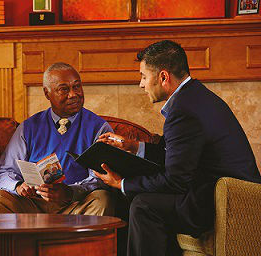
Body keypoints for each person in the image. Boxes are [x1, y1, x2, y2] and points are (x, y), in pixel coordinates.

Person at [95, 40, 261, 256]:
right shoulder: (195, 97)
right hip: (215, 191)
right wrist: (134, 147)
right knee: (138, 197)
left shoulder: (183, 111)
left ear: (163, 77)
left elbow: (175, 179)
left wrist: (122, 183)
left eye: (144, 76)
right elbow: (176, 155)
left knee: (143, 205)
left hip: (225, 201)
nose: (141, 84)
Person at [0, 62, 114, 216]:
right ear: (47, 93)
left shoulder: (99, 128)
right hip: (32, 205)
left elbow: (102, 178)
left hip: (76, 204)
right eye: (64, 89)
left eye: (77, 87)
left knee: (102, 199)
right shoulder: (28, 127)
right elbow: (5, 171)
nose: (73, 94)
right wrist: (18, 186)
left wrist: (70, 192)